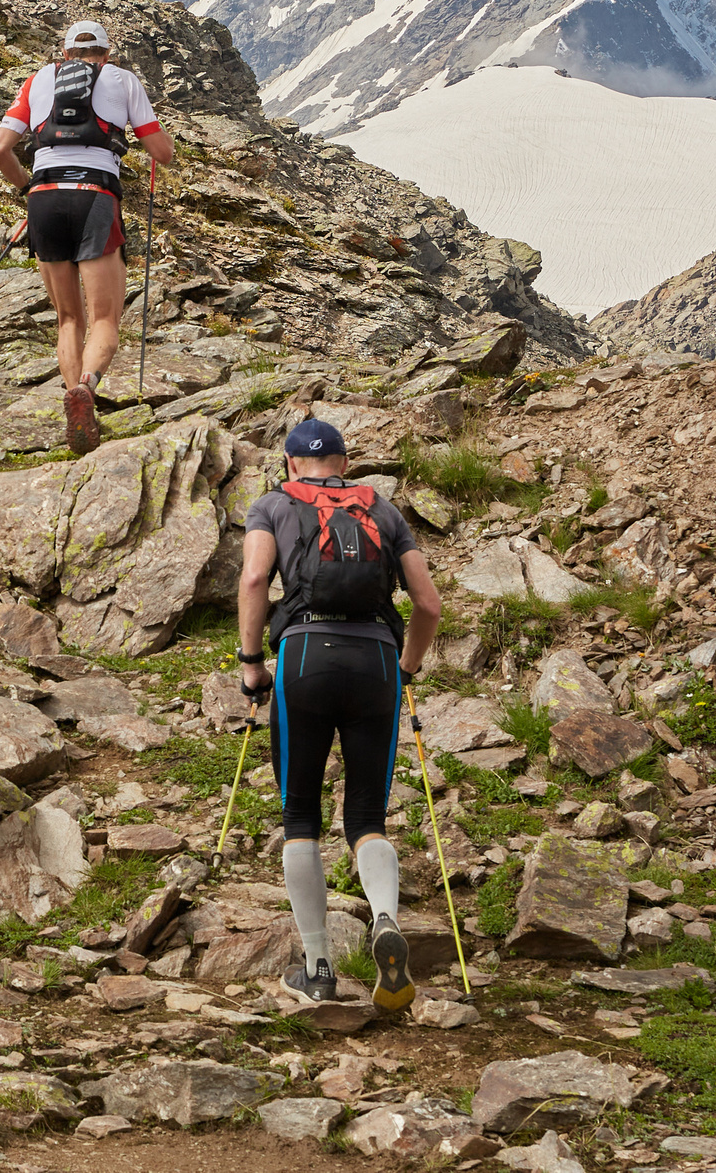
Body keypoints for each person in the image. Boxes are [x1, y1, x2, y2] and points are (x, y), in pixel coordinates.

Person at [235, 417, 445, 1013]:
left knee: (300, 815)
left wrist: (253, 664)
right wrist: (406, 667)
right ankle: (383, 918)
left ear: (289, 463)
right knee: (367, 815)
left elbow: (254, 577)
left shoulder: (272, 505)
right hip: (377, 660)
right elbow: (427, 603)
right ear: (345, 463)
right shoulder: (383, 508)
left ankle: (318, 967)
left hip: (302, 655)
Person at [0, 20, 175, 455]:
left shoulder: (36, 81)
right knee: (106, 319)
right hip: (95, 196)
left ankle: (75, 402)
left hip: (44, 200)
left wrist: (25, 188)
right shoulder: (123, 80)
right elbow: (161, 153)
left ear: (65, 53)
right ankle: (87, 389)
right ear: (105, 55)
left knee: (69, 318)